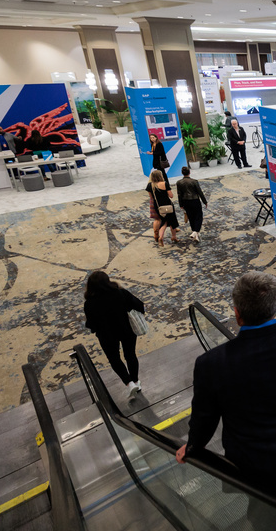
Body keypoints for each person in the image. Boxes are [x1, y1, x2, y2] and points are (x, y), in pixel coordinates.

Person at [177, 272, 276, 527]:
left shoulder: (211, 364)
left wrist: (193, 447)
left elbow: (204, 418)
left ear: (237, 313)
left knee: (263, 516)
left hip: (252, 464)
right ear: (275, 306)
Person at [84, 271, 145, 399]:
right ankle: (135, 381)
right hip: (127, 330)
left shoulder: (89, 303)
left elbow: (91, 324)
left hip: (106, 335)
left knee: (114, 359)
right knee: (130, 355)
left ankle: (129, 383)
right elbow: (140, 305)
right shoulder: (121, 293)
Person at [146, 169, 179, 245]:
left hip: (158, 207)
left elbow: (151, 197)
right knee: (172, 222)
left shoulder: (150, 185)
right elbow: (171, 195)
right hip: (168, 205)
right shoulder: (165, 183)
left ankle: (160, 237)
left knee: (164, 222)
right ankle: (174, 236)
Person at [176, 166, 208, 241]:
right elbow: (200, 192)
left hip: (185, 201)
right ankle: (195, 231)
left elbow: (179, 194)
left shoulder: (179, 183)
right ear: (189, 172)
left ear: (182, 173)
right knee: (198, 216)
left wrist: (181, 204)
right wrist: (204, 201)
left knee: (191, 217)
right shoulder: (194, 181)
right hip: (195, 200)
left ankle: (195, 232)